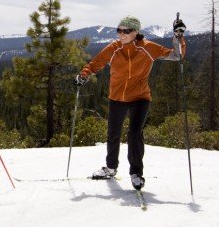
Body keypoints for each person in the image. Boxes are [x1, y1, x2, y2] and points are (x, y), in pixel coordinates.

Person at [74, 15, 187, 190]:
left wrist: (178, 36)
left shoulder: (147, 48)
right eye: (119, 30)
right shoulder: (113, 48)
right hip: (117, 96)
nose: (122, 34)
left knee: (134, 133)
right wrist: (84, 75)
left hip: (140, 97)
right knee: (113, 134)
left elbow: (176, 56)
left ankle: (136, 173)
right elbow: (95, 63)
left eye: (126, 31)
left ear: (136, 32)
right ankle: (110, 168)